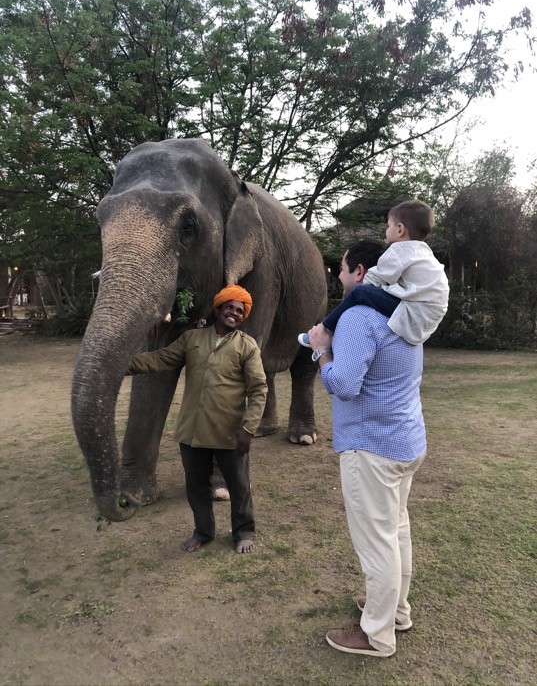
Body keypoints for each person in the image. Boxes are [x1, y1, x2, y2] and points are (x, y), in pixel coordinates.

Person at [308, 240, 427, 658]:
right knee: (395, 530)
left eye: (341, 269)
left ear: (360, 272)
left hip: (372, 448)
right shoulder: (407, 316)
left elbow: (342, 384)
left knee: (377, 540)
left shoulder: (359, 316)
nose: (338, 277)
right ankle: (395, 611)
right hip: (405, 442)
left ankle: (376, 634)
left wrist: (322, 351)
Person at [127, 285, 267, 554]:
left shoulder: (246, 346)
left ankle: (244, 531)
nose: (234, 313)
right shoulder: (192, 339)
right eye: (229, 307)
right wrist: (122, 364)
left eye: (240, 310)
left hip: (230, 433)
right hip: (192, 430)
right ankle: (203, 531)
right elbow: (160, 360)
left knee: (238, 486)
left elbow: (258, 388)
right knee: (196, 486)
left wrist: (248, 428)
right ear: (218, 309)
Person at [299, 199, 449, 348]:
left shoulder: (399, 250)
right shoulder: (424, 253)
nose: (386, 230)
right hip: (428, 315)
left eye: (388, 226)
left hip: (413, 311)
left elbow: (375, 278)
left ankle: (324, 330)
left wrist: (359, 291)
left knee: (360, 292)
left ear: (400, 229)